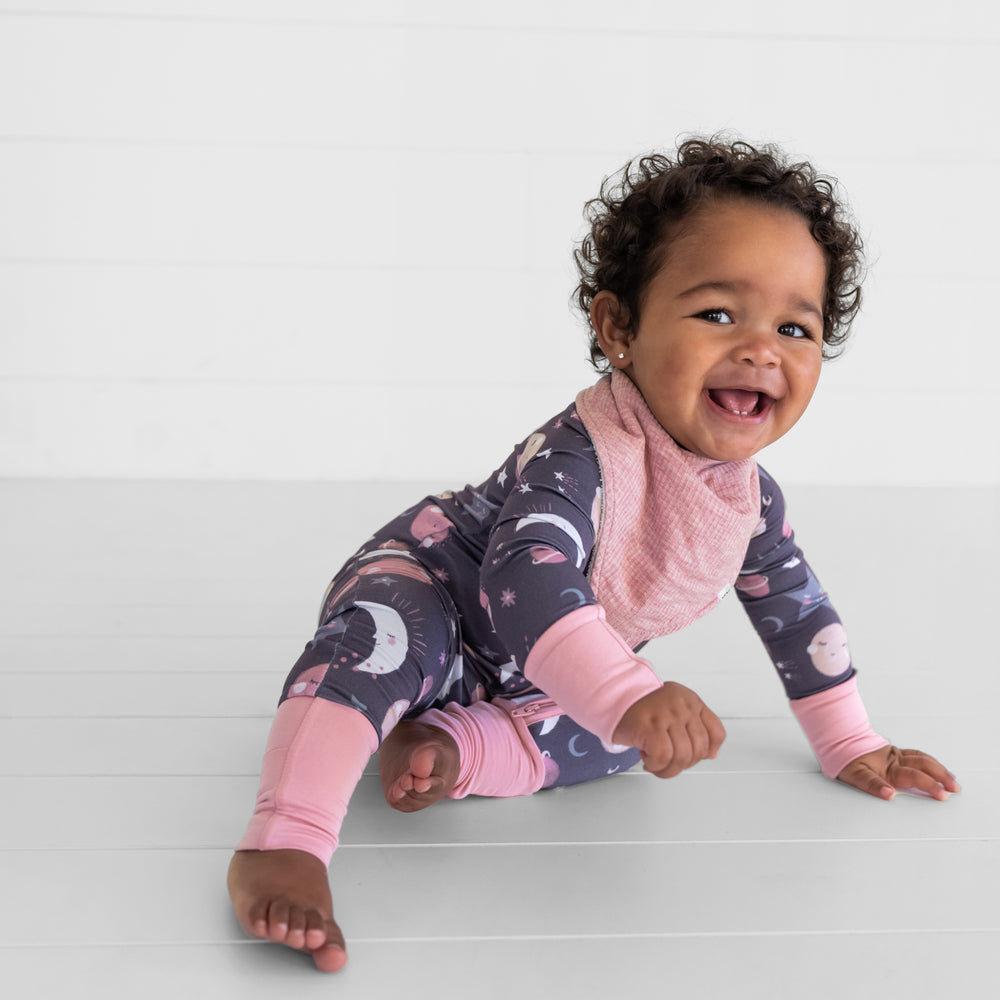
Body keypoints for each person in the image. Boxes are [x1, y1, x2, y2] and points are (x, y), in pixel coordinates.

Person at [227, 137, 960, 972]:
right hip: (437, 595)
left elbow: (799, 613)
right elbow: (525, 577)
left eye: (795, 326)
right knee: (387, 645)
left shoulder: (748, 501)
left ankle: (454, 749)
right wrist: (626, 689)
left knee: (634, 745)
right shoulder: (583, 454)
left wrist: (849, 741)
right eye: (719, 313)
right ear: (620, 329)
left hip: (547, 669)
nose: (761, 347)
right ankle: (286, 839)